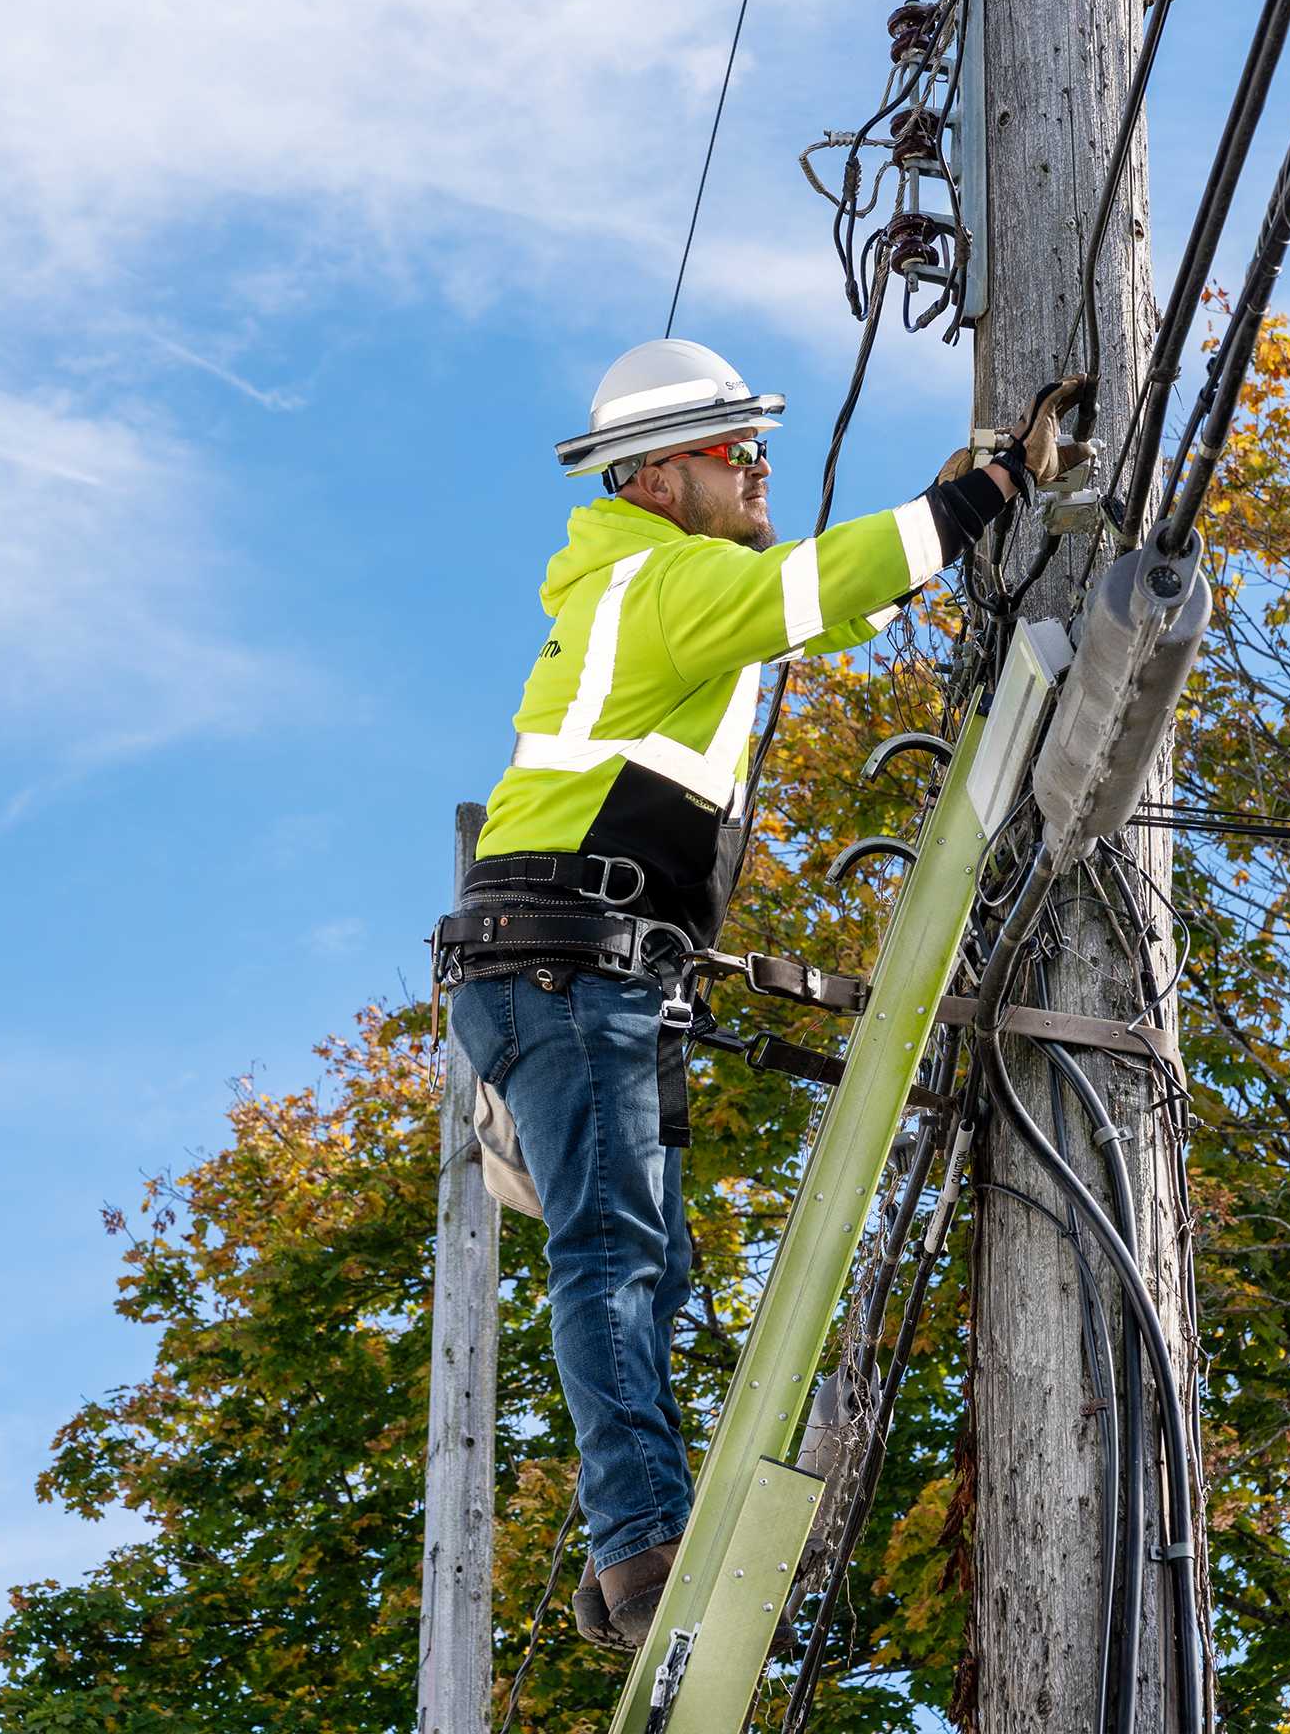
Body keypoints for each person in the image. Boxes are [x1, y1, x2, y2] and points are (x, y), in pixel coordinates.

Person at [437, 337, 1074, 1653]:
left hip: (570, 969)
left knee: (643, 1269)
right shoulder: (657, 581)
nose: (758, 468)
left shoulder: (661, 585)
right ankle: (641, 1561)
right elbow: (806, 587)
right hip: (571, 966)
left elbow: (818, 603)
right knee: (614, 1266)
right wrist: (983, 494)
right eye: (737, 451)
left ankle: (633, 1551)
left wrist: (946, 521)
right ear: (660, 478)